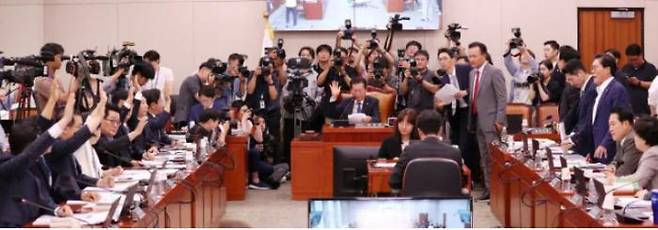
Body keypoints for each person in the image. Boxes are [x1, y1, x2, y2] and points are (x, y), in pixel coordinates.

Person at [0, 92, 77, 227]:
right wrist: (64, 122)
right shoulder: (7, 165)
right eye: (40, 141)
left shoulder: (37, 164)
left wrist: (57, 209)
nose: (46, 144)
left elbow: (41, 198)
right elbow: (29, 155)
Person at [46, 90, 114, 201]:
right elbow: (74, 141)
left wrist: (99, 182)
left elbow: (77, 177)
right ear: (65, 129)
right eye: (78, 127)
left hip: (74, 200)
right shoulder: (54, 146)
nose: (80, 131)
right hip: (59, 206)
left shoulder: (67, 148)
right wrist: (93, 123)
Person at [465, 42, 507, 201]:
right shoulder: (472, 74)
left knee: (494, 158)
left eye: (474, 56)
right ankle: (489, 189)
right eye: (469, 56)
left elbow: (502, 99)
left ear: (484, 55)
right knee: (484, 157)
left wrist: (499, 121)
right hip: (477, 121)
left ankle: (498, 191)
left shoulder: (494, 72)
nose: (471, 59)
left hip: (492, 123)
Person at [436, 48, 480, 184]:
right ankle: (459, 176)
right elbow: (444, 97)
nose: (442, 62)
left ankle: (472, 177)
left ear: (453, 60)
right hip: (454, 113)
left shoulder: (464, 69)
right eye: (440, 59)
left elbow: (476, 84)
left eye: (445, 58)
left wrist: (465, 92)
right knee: (455, 143)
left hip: (468, 110)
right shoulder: (443, 79)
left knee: (466, 144)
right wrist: (442, 103)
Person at [389, 110, 462, 190]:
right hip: (447, 200)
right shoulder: (455, 152)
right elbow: (460, 181)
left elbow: (393, 181)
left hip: (415, 200)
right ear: (440, 130)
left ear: (419, 131)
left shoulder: (409, 151)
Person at [585, 54, 631, 163]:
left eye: (595, 68)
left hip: (609, 150)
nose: (592, 72)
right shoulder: (600, 91)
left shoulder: (617, 90)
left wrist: (605, 144)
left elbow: (620, 122)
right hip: (598, 149)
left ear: (607, 69)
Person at [606, 116, 658, 200]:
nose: (634, 138)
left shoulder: (652, 154)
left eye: (636, 135)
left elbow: (638, 181)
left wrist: (616, 180)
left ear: (644, 139)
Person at [281, 53, 320, 164]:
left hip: (307, 114)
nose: (299, 71)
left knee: (306, 142)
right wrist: (289, 97)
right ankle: (289, 166)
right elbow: (284, 93)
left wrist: (311, 101)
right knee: (289, 141)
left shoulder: (315, 76)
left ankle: (306, 164)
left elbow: (319, 95)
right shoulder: (288, 76)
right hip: (290, 113)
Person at [94, 103, 148, 168]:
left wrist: (131, 163)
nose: (115, 125)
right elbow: (109, 146)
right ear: (100, 120)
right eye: (112, 120)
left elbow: (119, 158)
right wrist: (135, 132)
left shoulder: (113, 137)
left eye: (118, 122)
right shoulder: (95, 139)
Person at [246, 113, 289, 190]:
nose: (262, 125)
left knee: (285, 166)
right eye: (258, 123)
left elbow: (275, 156)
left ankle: (271, 179)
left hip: (268, 166)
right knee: (275, 170)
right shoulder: (251, 137)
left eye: (263, 122)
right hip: (256, 166)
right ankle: (270, 180)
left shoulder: (270, 137)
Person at [33, 43, 75, 112]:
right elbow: (63, 100)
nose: (62, 60)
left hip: (61, 117)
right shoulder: (41, 81)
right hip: (50, 121)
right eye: (60, 57)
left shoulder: (56, 79)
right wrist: (77, 78)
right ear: (50, 57)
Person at [174, 59, 216, 127]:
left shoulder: (199, 82)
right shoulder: (192, 80)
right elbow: (201, 98)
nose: (211, 77)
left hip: (191, 117)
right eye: (210, 74)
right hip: (184, 118)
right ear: (203, 70)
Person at [619, 44, 657, 115]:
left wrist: (639, 83)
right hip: (628, 112)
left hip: (645, 112)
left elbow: (655, 86)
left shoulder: (650, 68)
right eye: (630, 60)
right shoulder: (625, 68)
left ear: (641, 55)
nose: (633, 62)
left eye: (635, 59)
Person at [607, 107, 641, 176]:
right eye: (609, 125)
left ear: (625, 124)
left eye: (613, 124)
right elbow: (617, 160)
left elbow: (625, 170)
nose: (610, 129)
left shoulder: (633, 140)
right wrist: (612, 166)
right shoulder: (620, 137)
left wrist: (608, 175)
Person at [557, 46, 583, 134]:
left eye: (559, 60)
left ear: (565, 62)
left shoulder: (574, 85)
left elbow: (573, 112)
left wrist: (563, 128)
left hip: (572, 131)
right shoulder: (565, 79)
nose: (557, 63)